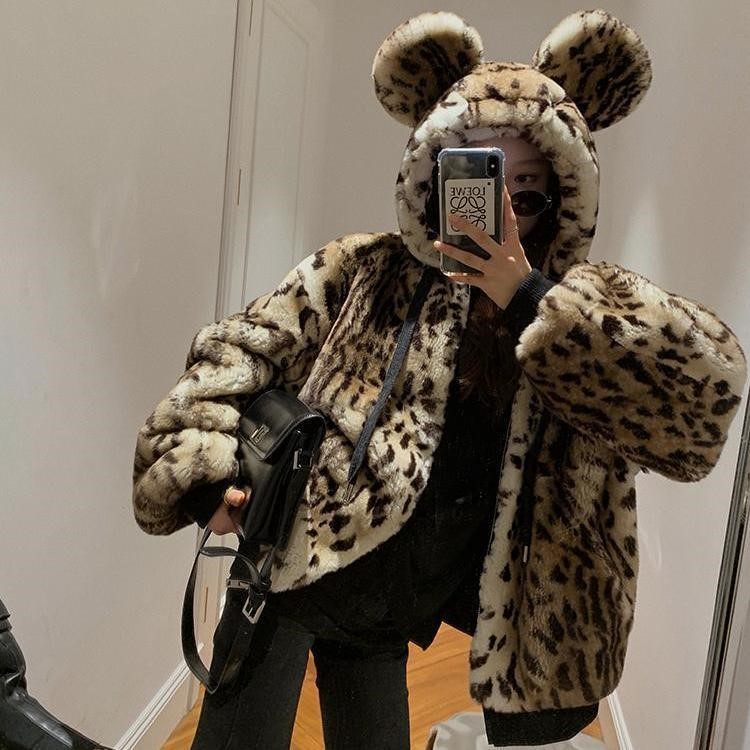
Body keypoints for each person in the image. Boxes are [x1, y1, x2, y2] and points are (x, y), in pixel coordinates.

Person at [131, 9, 747, 749]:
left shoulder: (583, 311)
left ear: (564, 192)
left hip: (388, 616)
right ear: (434, 177)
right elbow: (235, 350)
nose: (502, 213)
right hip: (289, 573)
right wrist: (203, 474)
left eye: (526, 188)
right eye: (478, 179)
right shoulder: (366, 268)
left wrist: (527, 295)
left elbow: (700, 404)